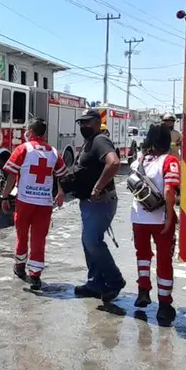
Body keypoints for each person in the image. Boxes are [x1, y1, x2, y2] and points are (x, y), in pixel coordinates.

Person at [0, 118, 65, 289]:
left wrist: (5, 197)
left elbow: (12, 175)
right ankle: (35, 275)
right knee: (38, 238)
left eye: (27, 130)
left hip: (25, 201)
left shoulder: (23, 149)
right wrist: (60, 192)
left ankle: (20, 266)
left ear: (30, 131)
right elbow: (61, 175)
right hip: (44, 203)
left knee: (22, 234)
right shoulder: (53, 152)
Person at [71, 109, 125, 301]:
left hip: (100, 202)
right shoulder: (90, 142)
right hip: (88, 203)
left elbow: (114, 163)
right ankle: (95, 283)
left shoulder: (100, 140)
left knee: (93, 241)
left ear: (96, 122)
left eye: (87, 122)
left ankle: (115, 280)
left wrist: (97, 188)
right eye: (81, 123)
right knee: (88, 242)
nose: (83, 126)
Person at [131, 123, 181, 323]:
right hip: (160, 219)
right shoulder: (170, 161)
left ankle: (143, 291)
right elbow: (169, 191)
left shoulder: (138, 161)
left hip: (138, 218)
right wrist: (169, 217)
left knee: (143, 256)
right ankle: (164, 304)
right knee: (164, 260)